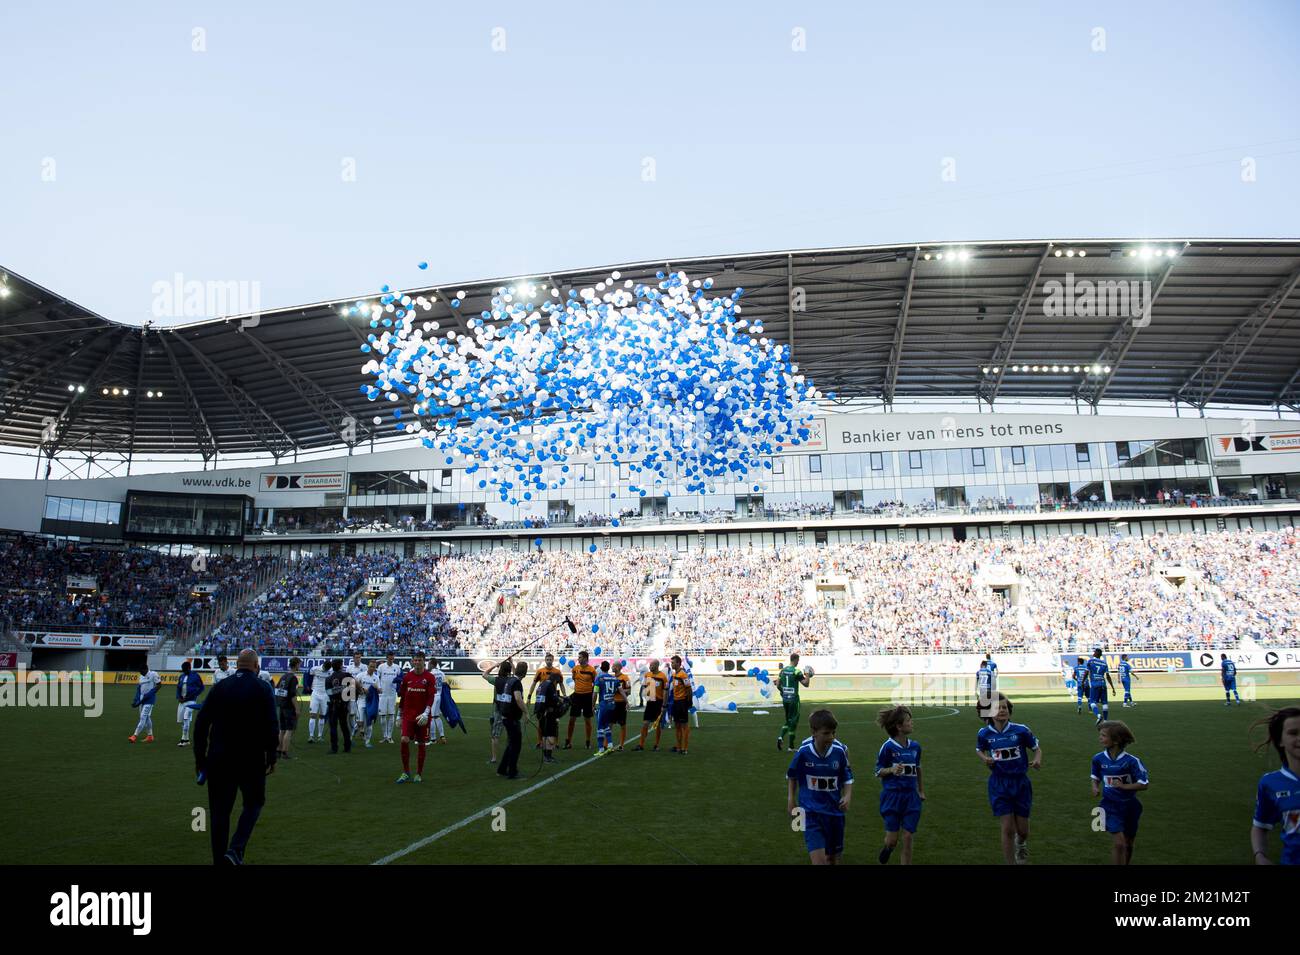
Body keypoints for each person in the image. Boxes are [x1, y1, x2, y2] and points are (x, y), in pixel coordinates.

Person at [193, 648, 278, 865]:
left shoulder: (220, 687)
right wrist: (271, 756)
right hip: (251, 759)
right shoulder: (263, 688)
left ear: (237, 664)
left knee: (219, 814)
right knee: (254, 803)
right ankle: (236, 849)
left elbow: (201, 724)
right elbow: (272, 725)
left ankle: (219, 860)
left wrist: (201, 760)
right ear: (256, 666)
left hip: (219, 759)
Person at [976, 693, 1042, 865]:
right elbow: (979, 750)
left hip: (1020, 783)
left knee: (1023, 830)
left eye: (1004, 707)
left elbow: (1037, 748)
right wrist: (985, 759)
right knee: (1007, 828)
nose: (1002, 710)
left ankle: (1021, 843)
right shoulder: (984, 734)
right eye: (997, 708)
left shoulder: (1021, 730)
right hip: (999, 784)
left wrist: (1037, 760)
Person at [786, 709, 853, 865]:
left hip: (834, 812)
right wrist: (791, 799)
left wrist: (847, 795)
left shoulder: (839, 751)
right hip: (810, 812)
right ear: (813, 732)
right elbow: (792, 775)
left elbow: (848, 777)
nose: (831, 737)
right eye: (826, 733)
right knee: (819, 862)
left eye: (833, 733)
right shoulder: (803, 752)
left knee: (833, 859)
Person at [1091, 721, 1149, 865]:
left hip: (1130, 806)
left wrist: (1124, 786)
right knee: (1119, 844)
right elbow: (1095, 776)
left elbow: (1144, 784)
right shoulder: (1098, 758)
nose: (1100, 738)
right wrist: (1095, 787)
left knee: (1128, 844)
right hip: (1109, 806)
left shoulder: (1132, 761)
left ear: (1116, 740)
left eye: (1103, 736)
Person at [874, 705, 924, 865]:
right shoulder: (887, 747)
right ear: (899, 726)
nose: (912, 723)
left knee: (908, 837)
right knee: (892, 841)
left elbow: (918, 769)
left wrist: (921, 791)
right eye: (908, 720)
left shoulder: (916, 747)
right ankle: (888, 848)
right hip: (892, 797)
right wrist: (892, 769)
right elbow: (878, 771)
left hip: (911, 797)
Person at [1250, 706, 1300, 865]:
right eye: (1293, 733)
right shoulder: (1270, 783)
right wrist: (1260, 856)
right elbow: (1260, 826)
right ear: (1280, 740)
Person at [396, 651, 438, 783]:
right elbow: (403, 697)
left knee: (421, 744)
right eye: (415, 660)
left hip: (422, 716)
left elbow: (431, 697)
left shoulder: (430, 677)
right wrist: (399, 715)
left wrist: (426, 713)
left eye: (420, 660)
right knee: (404, 740)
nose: (417, 662)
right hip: (408, 715)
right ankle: (406, 772)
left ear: (424, 661)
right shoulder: (407, 677)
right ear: (412, 661)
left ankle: (418, 773)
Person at [494, 660, 527, 779]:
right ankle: (512, 772)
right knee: (516, 746)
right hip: (512, 718)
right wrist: (526, 712)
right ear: (525, 672)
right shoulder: (517, 682)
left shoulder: (510, 680)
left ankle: (502, 769)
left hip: (506, 716)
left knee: (511, 744)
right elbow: (518, 699)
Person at [777, 653, 811, 751]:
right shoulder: (796, 671)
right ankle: (790, 746)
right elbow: (806, 684)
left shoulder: (782, 671)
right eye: (798, 660)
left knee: (788, 720)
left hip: (785, 699)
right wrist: (807, 675)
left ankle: (780, 737)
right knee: (793, 722)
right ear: (795, 660)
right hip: (794, 700)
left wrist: (782, 692)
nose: (798, 662)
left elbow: (778, 684)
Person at [564, 651, 596, 750]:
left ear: (586, 658)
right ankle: (568, 741)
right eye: (578, 657)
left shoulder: (592, 670)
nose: (579, 659)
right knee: (572, 719)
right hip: (577, 696)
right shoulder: (575, 669)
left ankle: (588, 741)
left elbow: (595, 684)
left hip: (587, 696)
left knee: (587, 720)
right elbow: (574, 679)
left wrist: (593, 698)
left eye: (580, 657)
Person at [528, 653, 562, 747]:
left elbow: (561, 685)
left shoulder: (557, 671)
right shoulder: (540, 671)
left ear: (553, 660)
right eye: (547, 659)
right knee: (541, 721)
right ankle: (540, 742)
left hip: (553, 699)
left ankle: (555, 742)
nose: (549, 661)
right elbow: (534, 684)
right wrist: (529, 696)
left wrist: (565, 696)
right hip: (542, 699)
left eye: (550, 659)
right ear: (545, 660)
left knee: (555, 722)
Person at [636, 659, 668, 751]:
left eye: (651, 665)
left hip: (658, 702)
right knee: (645, 723)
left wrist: (664, 705)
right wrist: (647, 696)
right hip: (650, 701)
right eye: (650, 665)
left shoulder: (662, 677)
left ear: (657, 666)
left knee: (657, 725)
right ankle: (641, 745)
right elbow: (645, 686)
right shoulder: (648, 675)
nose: (650, 667)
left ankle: (656, 745)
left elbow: (665, 691)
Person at [535, 669, 565, 763]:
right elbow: (554, 699)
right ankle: (548, 756)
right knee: (551, 733)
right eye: (557, 683)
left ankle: (545, 755)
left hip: (539, 711)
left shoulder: (542, 683)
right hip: (548, 713)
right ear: (555, 680)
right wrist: (562, 701)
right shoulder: (551, 685)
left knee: (544, 734)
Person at [324, 659, 353, 755]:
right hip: (343, 704)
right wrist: (348, 701)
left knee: (333, 726)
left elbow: (328, 693)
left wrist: (336, 691)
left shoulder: (328, 678)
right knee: (344, 725)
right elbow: (351, 689)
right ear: (340, 666)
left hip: (333, 704)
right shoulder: (346, 675)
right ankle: (347, 747)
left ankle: (334, 748)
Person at [129, 664, 162, 743]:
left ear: (146, 669)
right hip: (141, 699)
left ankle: (134, 735)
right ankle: (150, 736)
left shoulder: (153, 674)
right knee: (146, 717)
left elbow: (159, 685)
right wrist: (136, 700)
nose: (140, 673)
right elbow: (139, 689)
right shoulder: (141, 677)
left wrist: (150, 693)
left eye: (141, 671)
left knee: (143, 717)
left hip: (149, 700)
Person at [175, 661, 204, 747]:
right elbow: (178, 688)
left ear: (189, 668)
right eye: (183, 670)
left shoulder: (195, 676)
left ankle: (183, 740)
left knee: (186, 718)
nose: (184, 671)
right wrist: (178, 697)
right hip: (182, 701)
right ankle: (187, 739)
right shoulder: (182, 676)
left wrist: (194, 695)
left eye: (185, 670)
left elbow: (201, 687)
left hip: (191, 701)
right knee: (183, 721)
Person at [276, 657, 300, 759]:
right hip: (289, 707)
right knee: (289, 730)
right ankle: (285, 752)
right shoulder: (293, 678)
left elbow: (277, 690)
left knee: (282, 729)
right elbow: (292, 695)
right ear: (296, 664)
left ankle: (278, 750)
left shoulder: (283, 676)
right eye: (299, 664)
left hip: (282, 705)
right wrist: (297, 708)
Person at [669, 655, 694, 755]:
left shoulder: (683, 675)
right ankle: (679, 747)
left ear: (678, 663)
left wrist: (689, 702)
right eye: (671, 663)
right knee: (677, 725)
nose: (672, 664)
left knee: (684, 725)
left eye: (673, 663)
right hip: (676, 702)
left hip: (682, 702)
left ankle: (685, 748)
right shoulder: (675, 674)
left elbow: (689, 689)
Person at [376, 652, 402, 743]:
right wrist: (378, 687)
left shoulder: (397, 667)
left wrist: (398, 689)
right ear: (386, 658)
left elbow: (400, 679)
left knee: (391, 714)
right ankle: (385, 736)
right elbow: (377, 678)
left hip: (392, 694)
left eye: (392, 659)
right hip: (382, 694)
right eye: (390, 659)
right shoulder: (381, 667)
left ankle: (390, 737)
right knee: (382, 715)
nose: (391, 660)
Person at [594, 661, 619, 754]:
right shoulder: (614, 678)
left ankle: (600, 749)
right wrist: (627, 701)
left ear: (601, 668)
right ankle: (610, 745)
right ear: (608, 668)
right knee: (606, 726)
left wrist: (593, 705)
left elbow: (595, 692)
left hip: (603, 705)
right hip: (612, 705)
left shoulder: (599, 678)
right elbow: (620, 690)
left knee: (600, 726)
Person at [1086, 648, 1115, 726]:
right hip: (1103, 684)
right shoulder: (1104, 663)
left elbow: (1086, 672)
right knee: (1105, 703)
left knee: (1092, 702)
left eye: (1094, 651)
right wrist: (1112, 687)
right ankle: (1105, 721)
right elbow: (1108, 676)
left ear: (1096, 653)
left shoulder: (1090, 661)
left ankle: (1098, 716)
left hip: (1095, 684)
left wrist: (1082, 682)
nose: (1093, 653)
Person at [357, 660, 380, 748]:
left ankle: (367, 741)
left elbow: (380, 690)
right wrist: (362, 688)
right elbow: (354, 685)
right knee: (360, 722)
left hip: (371, 702)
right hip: (361, 700)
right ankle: (358, 731)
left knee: (369, 722)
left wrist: (377, 688)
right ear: (368, 666)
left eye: (374, 667)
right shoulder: (360, 675)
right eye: (371, 666)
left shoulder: (376, 678)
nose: (372, 668)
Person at [307, 658, 330, 743]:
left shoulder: (330, 671)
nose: (326, 670)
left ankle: (320, 736)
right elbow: (308, 676)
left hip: (325, 695)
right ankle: (311, 736)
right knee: (313, 715)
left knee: (322, 716)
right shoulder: (315, 669)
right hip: (315, 693)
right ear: (323, 665)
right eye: (325, 668)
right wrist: (308, 686)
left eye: (327, 669)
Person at [612, 662, 631, 750]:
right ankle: (606, 744)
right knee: (610, 723)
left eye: (614, 666)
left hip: (621, 703)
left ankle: (621, 745)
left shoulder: (625, 678)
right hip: (612, 703)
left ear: (618, 667)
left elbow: (629, 690)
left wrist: (620, 690)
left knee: (622, 724)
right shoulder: (611, 678)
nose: (612, 667)